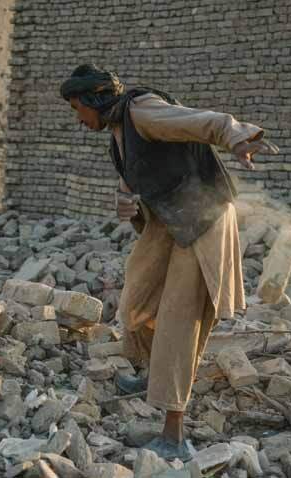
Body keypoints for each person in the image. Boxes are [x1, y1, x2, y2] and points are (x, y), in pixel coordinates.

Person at [60, 64, 278, 460]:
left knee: (179, 317)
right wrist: (125, 199)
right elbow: (134, 181)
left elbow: (202, 122)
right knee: (136, 299)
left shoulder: (142, 110)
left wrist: (237, 135)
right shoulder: (118, 132)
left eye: (78, 108)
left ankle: (174, 433)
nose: (77, 119)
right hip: (169, 220)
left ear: (95, 100)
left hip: (202, 219)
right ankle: (148, 371)